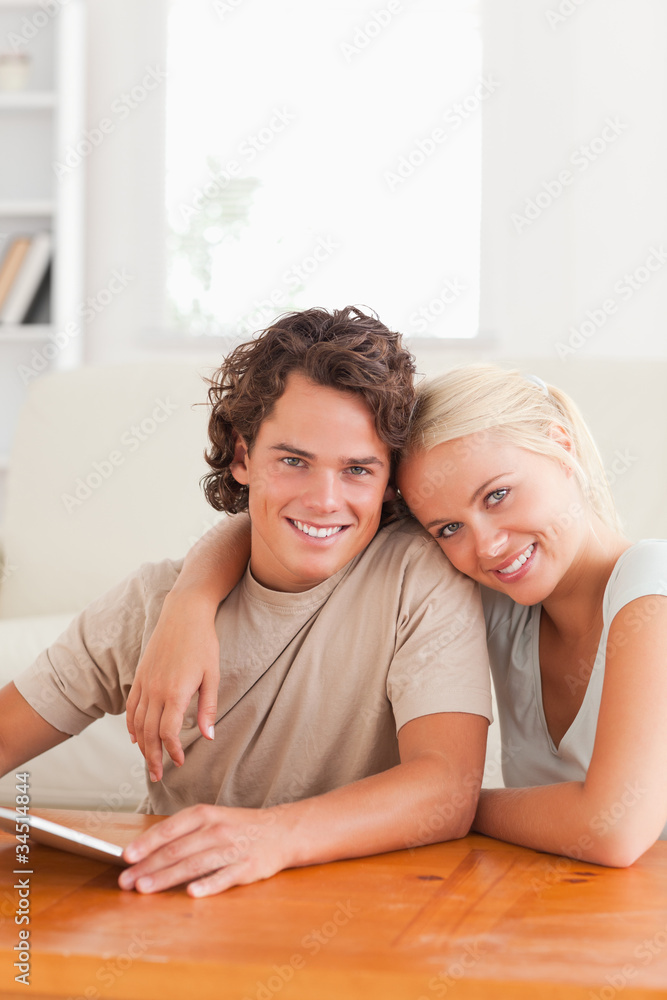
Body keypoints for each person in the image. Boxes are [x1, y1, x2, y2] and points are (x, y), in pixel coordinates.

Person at [0, 307, 493, 897]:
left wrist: (271, 837)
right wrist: (188, 603)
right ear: (242, 457)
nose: (324, 500)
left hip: (367, 913)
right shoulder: (154, 602)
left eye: (358, 470)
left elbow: (446, 788)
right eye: (293, 461)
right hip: (183, 907)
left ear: (390, 479)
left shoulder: (421, 579)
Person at [130, 363, 667, 868]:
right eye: (447, 528)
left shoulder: (652, 586)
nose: (487, 545)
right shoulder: (506, 603)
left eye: (498, 495)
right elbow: (286, 525)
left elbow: (612, 828)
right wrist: (190, 604)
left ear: (560, 446)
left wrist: (450, 803)